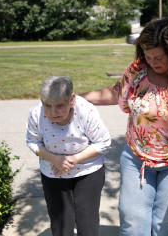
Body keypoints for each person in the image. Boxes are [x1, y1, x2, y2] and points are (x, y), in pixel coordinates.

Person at [79, 18, 168, 236]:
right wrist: (77, 98)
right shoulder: (137, 70)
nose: (152, 62)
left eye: (159, 57)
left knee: (167, 225)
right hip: (136, 158)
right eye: (148, 56)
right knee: (132, 222)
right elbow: (116, 92)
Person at [26, 75, 111, 236]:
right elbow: (32, 141)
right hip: (53, 171)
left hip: (88, 170)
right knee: (61, 226)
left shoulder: (86, 110)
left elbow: (103, 142)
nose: (52, 112)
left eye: (59, 105)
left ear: (72, 100)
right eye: (47, 105)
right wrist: (54, 159)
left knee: (88, 224)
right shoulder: (36, 113)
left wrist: (72, 160)